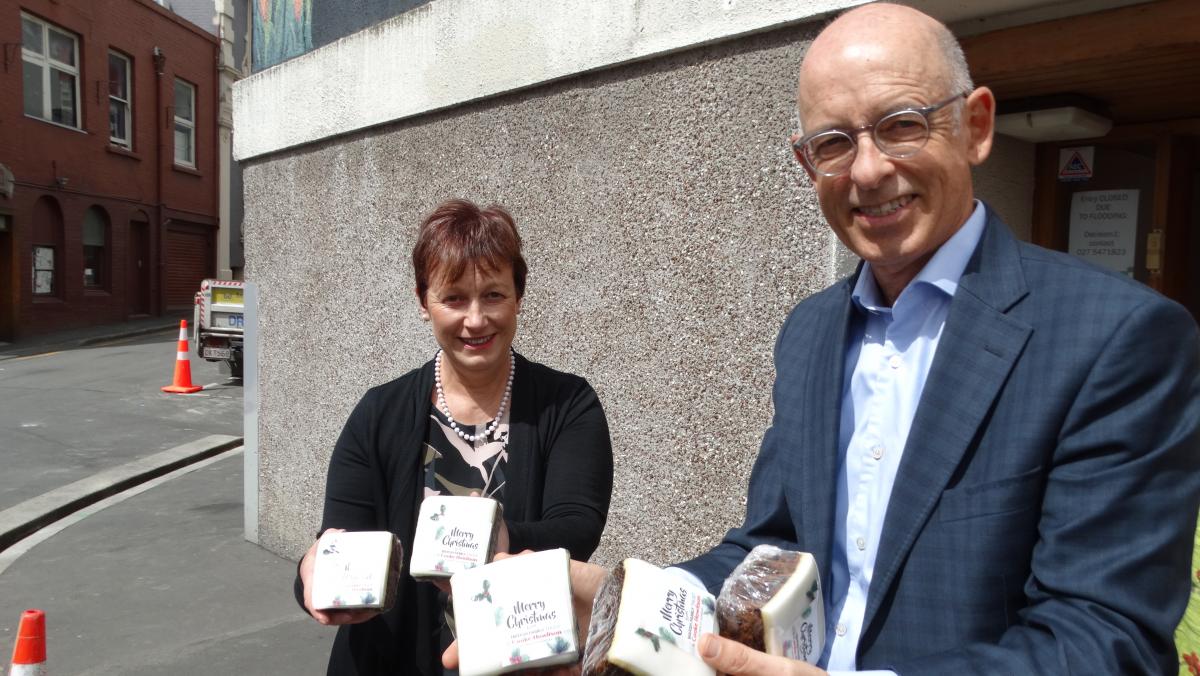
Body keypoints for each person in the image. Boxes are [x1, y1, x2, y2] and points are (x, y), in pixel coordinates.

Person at [447, 3, 1200, 675]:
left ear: (974, 127)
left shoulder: (1118, 338)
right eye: (834, 143)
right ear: (808, 165)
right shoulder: (810, 332)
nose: (868, 170)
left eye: (903, 124)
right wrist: (622, 601)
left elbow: (1107, 641)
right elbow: (768, 554)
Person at [296, 198, 615, 675]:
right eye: (453, 298)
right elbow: (343, 535)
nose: (475, 319)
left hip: (519, 658)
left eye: (493, 295)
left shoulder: (567, 405)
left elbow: (576, 525)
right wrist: (312, 573)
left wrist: (495, 536)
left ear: (518, 297)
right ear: (424, 301)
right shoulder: (378, 413)